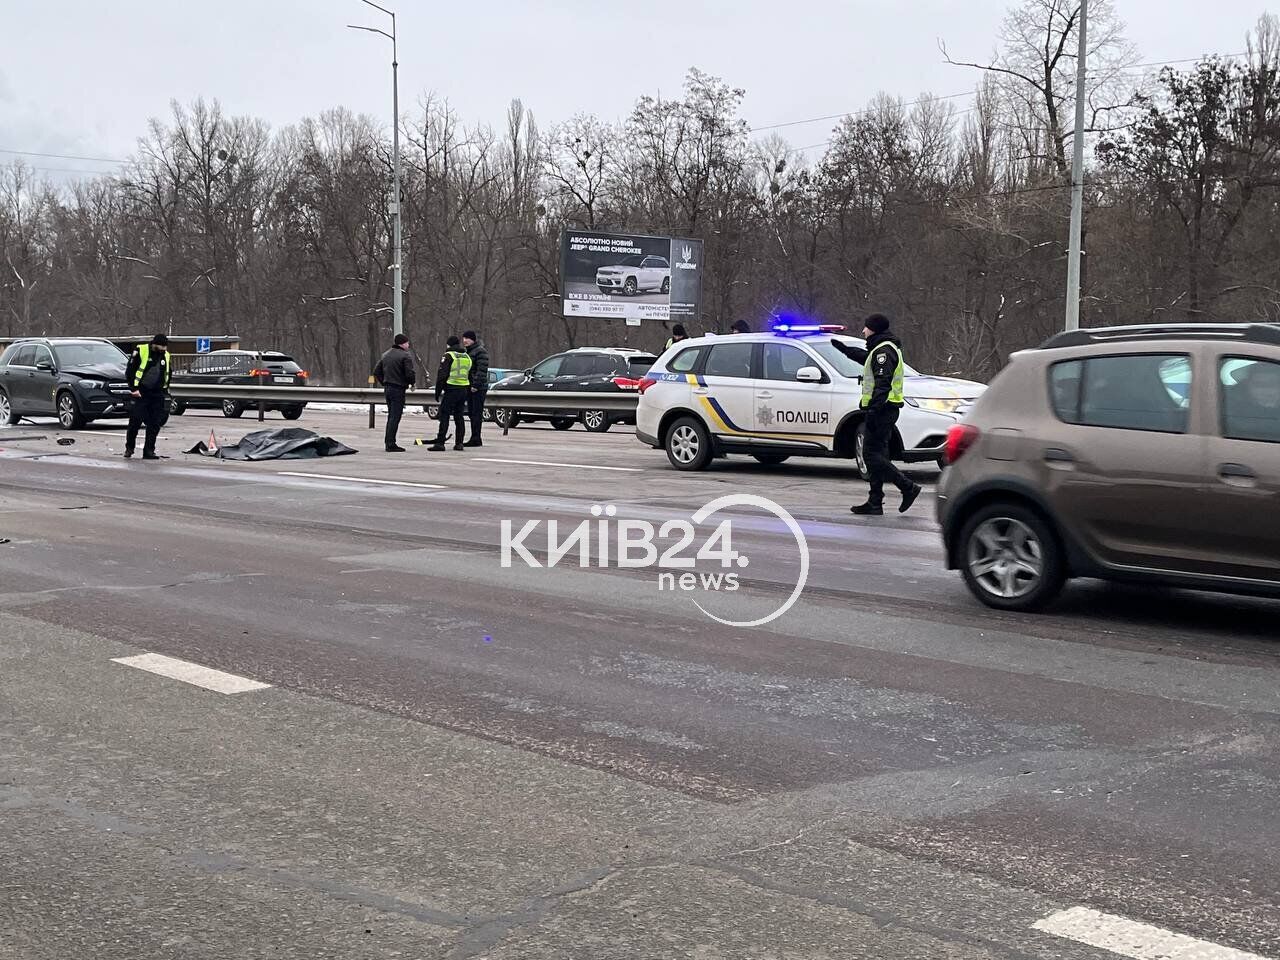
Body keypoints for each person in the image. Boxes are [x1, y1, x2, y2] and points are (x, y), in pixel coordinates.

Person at [840, 314, 922, 516]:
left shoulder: (884, 351)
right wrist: (845, 351)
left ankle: (907, 487)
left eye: (866, 327)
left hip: (882, 411)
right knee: (878, 454)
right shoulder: (881, 348)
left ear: (874, 329)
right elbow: (867, 360)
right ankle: (875, 502)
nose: (863, 331)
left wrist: (874, 409)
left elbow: (882, 382)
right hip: (883, 410)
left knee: (870, 455)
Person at [124, 334, 171, 460]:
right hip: (141, 393)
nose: (163, 349)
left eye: (165, 347)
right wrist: (133, 389)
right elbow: (130, 371)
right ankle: (129, 448)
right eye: (161, 347)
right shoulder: (141, 350)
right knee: (135, 422)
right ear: (154, 344)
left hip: (157, 394)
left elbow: (167, 373)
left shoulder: (165, 355)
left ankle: (149, 451)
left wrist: (165, 391)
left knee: (154, 424)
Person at [428, 335, 472, 451]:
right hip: (463, 389)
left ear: (449, 345)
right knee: (459, 416)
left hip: (451, 388)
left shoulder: (448, 356)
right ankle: (459, 443)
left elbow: (442, 375)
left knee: (444, 415)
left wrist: (437, 392)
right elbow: (470, 374)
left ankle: (440, 443)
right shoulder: (466, 356)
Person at [373, 333, 416, 452]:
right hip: (398, 388)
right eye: (407, 343)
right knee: (395, 417)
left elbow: (376, 371)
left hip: (388, 388)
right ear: (402, 343)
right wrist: (412, 383)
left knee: (391, 416)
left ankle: (389, 441)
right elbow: (409, 373)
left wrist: (384, 382)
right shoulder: (405, 356)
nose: (408, 345)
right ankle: (391, 443)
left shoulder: (385, 355)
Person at [462, 329, 489, 447]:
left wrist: (475, 385)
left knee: (476, 413)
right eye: (463, 338)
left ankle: (476, 438)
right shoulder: (468, 352)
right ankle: (474, 436)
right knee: (472, 413)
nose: (464, 340)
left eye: (467, 338)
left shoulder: (480, 352)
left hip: (478, 387)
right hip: (469, 386)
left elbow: (481, 370)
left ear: (473, 339)